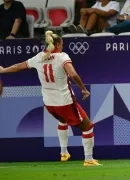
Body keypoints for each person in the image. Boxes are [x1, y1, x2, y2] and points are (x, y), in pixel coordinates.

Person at [0, 31, 101, 167]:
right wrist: (83, 88)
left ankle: (64, 153)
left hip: (49, 104)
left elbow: (18, 67)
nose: (62, 46)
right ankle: (89, 160)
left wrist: (3, 70)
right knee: (88, 127)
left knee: (63, 120)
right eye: (62, 44)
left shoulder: (38, 58)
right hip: (65, 102)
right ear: (58, 44)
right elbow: (73, 74)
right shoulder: (61, 56)